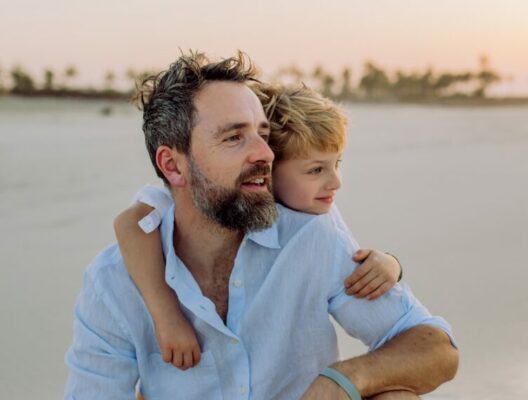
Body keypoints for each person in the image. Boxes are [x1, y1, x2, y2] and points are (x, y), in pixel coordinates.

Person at [64, 51, 458, 400]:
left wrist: (344, 378)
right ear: (172, 165)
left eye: (263, 135)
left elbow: (436, 349)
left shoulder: (312, 234)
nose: (264, 153)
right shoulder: (114, 281)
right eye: (235, 137)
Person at [114, 83, 404, 371]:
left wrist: (391, 264)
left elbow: (350, 255)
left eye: (336, 164)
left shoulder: (318, 221)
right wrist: (166, 314)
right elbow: (130, 223)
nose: (336, 182)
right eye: (315, 170)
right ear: (272, 170)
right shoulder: (216, 196)